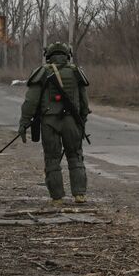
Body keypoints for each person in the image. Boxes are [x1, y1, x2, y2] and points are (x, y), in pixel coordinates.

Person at [18, 42, 92, 206]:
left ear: (48, 56)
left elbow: (30, 102)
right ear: (68, 55)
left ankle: (57, 198)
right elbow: (84, 103)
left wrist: (24, 123)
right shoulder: (75, 72)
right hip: (72, 121)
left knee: (52, 158)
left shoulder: (43, 72)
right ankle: (79, 194)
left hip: (49, 122)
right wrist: (82, 122)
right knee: (75, 156)